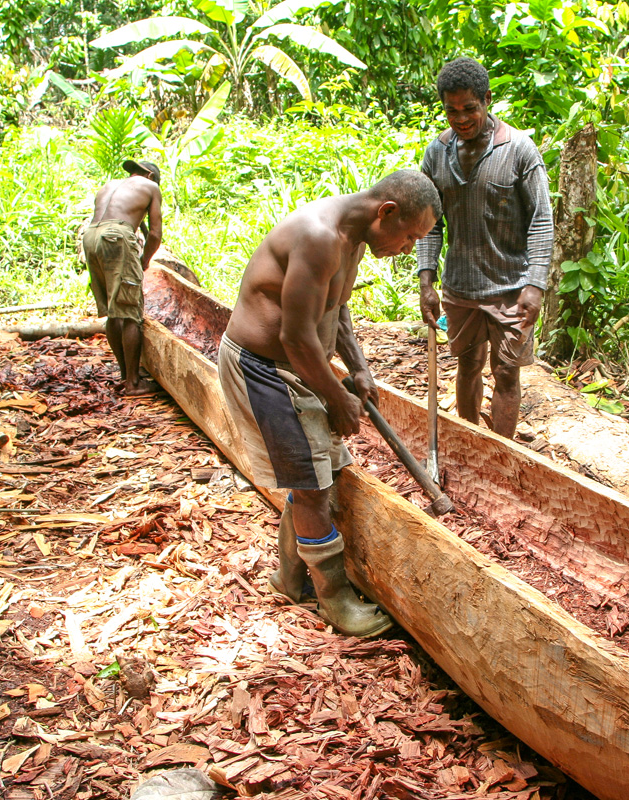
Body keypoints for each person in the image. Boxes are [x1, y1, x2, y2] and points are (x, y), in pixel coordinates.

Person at [218, 170, 441, 637]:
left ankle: (289, 577)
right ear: (387, 213)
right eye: (409, 237)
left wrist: (358, 367)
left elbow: (335, 309)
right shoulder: (320, 238)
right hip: (265, 368)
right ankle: (335, 599)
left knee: (318, 472)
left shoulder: (354, 237)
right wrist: (335, 396)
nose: (406, 249)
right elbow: (295, 336)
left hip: (297, 367)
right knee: (315, 483)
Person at [416, 57, 553, 439]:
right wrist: (427, 281)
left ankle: (503, 452)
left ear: (487, 100)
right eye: (452, 111)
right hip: (460, 289)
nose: (461, 119)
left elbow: (542, 221)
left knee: (507, 371)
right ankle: (469, 443)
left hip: (511, 288)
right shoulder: (437, 155)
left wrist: (535, 285)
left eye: (470, 109)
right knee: (468, 364)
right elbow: (429, 225)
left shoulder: (519, 151)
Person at [83, 159, 163, 396]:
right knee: (130, 312)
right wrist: (145, 260)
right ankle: (134, 383)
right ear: (150, 176)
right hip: (116, 235)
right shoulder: (150, 187)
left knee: (113, 310)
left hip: (90, 236)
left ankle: (124, 374)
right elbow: (156, 234)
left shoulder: (110, 185)